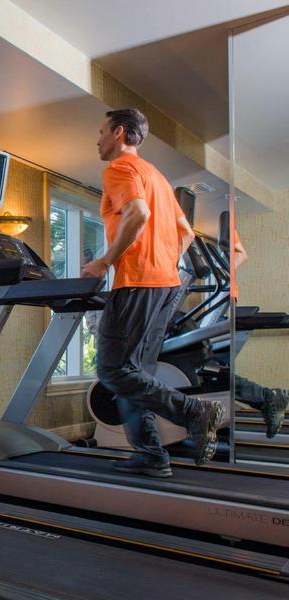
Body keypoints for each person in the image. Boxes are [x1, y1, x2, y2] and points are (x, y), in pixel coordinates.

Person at [82, 108, 225, 478]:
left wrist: (104, 261)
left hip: (137, 281)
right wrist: (163, 260)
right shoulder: (157, 176)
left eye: (101, 132)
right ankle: (150, 454)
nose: (97, 139)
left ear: (117, 132)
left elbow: (137, 214)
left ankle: (193, 412)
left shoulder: (119, 169)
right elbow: (186, 233)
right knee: (136, 374)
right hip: (164, 283)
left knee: (113, 370)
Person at [228, 231, 288, 438]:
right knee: (203, 365)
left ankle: (266, 397)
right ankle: (267, 397)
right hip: (227, 295)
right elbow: (240, 253)